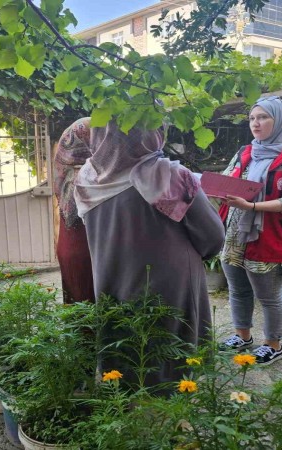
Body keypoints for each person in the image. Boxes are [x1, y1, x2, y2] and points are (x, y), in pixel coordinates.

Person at [73, 121, 225, 386]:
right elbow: (213, 237)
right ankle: (172, 407)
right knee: (171, 353)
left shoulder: (88, 178)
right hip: (171, 288)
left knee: (124, 345)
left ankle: (127, 398)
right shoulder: (167, 176)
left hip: (112, 280)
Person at [217, 96, 282, 365]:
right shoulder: (245, 152)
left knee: (269, 296)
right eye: (252, 118)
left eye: (263, 118)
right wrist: (215, 188)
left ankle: (273, 344)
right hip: (235, 232)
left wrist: (251, 205)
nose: (255, 123)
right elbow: (228, 179)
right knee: (237, 290)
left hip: (267, 234)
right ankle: (242, 336)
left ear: (281, 121)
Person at [53, 117, 95, 304]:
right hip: (92, 252)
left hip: (68, 248)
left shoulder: (65, 176)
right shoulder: (95, 177)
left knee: (76, 312)